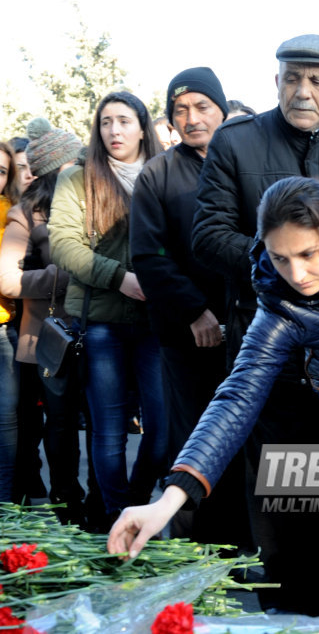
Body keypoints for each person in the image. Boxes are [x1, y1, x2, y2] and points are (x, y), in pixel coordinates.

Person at [109, 175, 319, 625]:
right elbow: (237, 396)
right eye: (280, 257)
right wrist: (169, 499)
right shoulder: (280, 305)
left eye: (307, 254)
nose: (296, 275)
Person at [190, 33, 319, 618]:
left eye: (316, 79)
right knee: (284, 512)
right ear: (276, 79)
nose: (302, 90)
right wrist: (284, 268)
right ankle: (286, 613)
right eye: (291, 77)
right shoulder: (237, 143)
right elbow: (206, 235)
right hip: (274, 358)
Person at [130, 67, 250, 547]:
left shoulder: (247, 161)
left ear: (221, 110)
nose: (192, 118)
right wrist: (195, 312)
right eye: (180, 110)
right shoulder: (157, 174)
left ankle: (247, 541)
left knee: (246, 436)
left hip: (248, 326)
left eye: (202, 107)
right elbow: (149, 256)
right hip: (186, 333)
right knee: (194, 434)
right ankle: (200, 544)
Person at [48, 91, 168, 524]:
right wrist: (121, 278)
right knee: (109, 431)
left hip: (156, 323)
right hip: (101, 322)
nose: (114, 130)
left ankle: (132, 505)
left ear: (142, 127)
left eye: (124, 121)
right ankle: (116, 517)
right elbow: (63, 245)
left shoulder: (164, 172)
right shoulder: (77, 179)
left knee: (160, 433)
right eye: (105, 122)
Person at [0, 118, 86, 524]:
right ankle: (48, 503)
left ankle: (70, 503)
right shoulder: (26, 215)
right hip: (43, 340)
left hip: (91, 332)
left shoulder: (89, 205)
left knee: (70, 426)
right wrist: (65, 275)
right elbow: (7, 279)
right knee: (47, 426)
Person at [0, 141, 19, 502]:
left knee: (6, 422)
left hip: (2, 329)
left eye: (2, 171)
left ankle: (6, 512)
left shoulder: (10, 213)